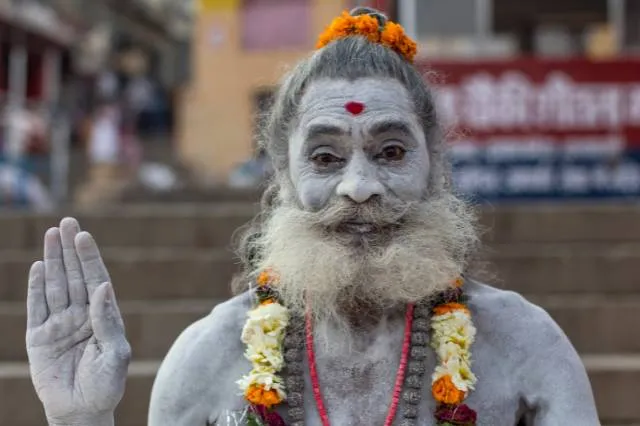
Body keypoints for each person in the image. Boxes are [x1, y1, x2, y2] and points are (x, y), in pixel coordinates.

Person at [24, 8, 600, 426]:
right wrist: (81, 418)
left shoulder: (524, 347)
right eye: (325, 157)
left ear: (437, 167)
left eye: (391, 152)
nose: (359, 187)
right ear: (283, 177)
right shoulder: (208, 357)